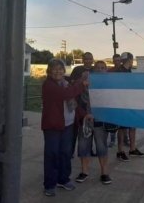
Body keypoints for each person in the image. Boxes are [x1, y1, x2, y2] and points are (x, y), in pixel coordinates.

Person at [41, 58, 89, 197]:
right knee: (52, 155)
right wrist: (82, 84)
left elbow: (72, 103)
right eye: (54, 69)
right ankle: (49, 185)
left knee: (66, 153)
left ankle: (63, 179)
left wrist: (84, 114)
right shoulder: (48, 85)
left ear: (64, 70)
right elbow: (66, 95)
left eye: (60, 68)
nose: (58, 71)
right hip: (53, 126)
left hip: (68, 125)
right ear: (49, 71)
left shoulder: (66, 83)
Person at [75, 61, 112, 185]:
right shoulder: (86, 81)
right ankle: (84, 171)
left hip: (100, 121)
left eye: (103, 68)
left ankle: (104, 173)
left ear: (106, 70)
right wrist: (84, 114)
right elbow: (77, 97)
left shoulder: (110, 84)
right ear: (94, 69)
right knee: (83, 146)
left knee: (102, 147)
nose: (100, 70)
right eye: (98, 68)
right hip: (85, 119)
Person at [115, 52, 144, 161]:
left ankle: (132, 149)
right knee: (122, 129)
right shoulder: (119, 71)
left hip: (130, 103)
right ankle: (120, 151)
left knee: (132, 126)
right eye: (132, 60)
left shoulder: (129, 71)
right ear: (130, 60)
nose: (132, 62)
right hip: (122, 104)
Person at [70, 52, 95, 157]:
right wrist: (82, 78)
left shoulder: (95, 70)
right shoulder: (77, 70)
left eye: (90, 58)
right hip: (79, 103)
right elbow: (72, 85)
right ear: (83, 59)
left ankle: (89, 149)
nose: (88, 60)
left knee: (90, 128)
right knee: (74, 129)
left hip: (91, 103)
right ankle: (70, 152)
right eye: (86, 58)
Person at [106, 54, 129, 147]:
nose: (117, 62)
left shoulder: (126, 70)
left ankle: (125, 139)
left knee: (124, 120)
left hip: (124, 99)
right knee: (113, 120)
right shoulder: (110, 71)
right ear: (113, 61)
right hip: (113, 99)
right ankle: (112, 140)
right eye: (115, 60)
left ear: (121, 61)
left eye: (118, 60)